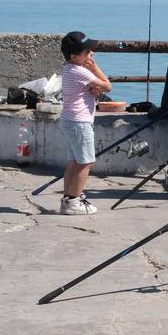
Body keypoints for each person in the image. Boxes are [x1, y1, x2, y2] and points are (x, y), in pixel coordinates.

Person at [58, 30, 111, 215]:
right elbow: (107, 85)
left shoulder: (69, 69)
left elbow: (91, 91)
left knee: (74, 161)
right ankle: (74, 202)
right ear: (74, 56)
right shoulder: (81, 71)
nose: (91, 54)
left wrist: (93, 92)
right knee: (86, 162)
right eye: (87, 52)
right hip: (80, 122)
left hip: (69, 120)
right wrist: (94, 67)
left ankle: (67, 199)